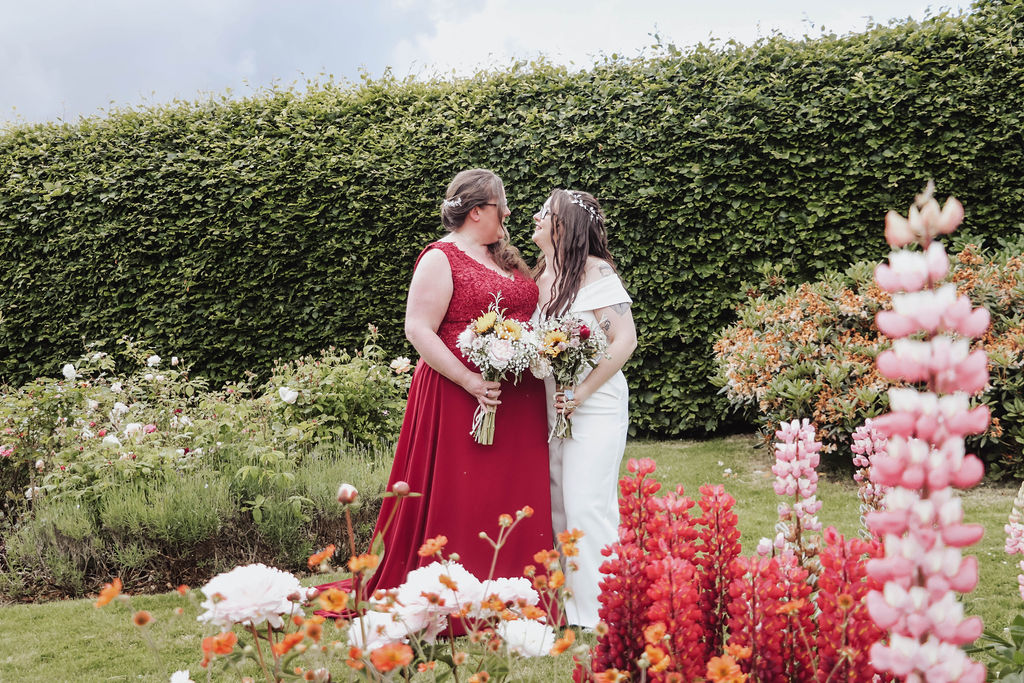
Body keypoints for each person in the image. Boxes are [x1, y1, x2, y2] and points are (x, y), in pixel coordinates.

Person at [318, 169, 553, 619]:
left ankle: (518, 587)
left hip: (517, 402)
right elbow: (418, 329)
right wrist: (470, 381)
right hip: (459, 396)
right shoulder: (440, 257)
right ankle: (460, 586)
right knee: (468, 494)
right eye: (501, 204)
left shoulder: (505, 258)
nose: (508, 212)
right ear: (477, 211)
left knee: (510, 491)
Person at [531, 189, 637, 628]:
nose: (535, 217)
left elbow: (624, 341)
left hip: (594, 404)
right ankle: (569, 607)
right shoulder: (543, 275)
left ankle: (602, 611)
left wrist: (582, 393)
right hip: (555, 405)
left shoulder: (595, 273)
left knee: (586, 504)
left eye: (546, 213)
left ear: (565, 226)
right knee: (558, 504)